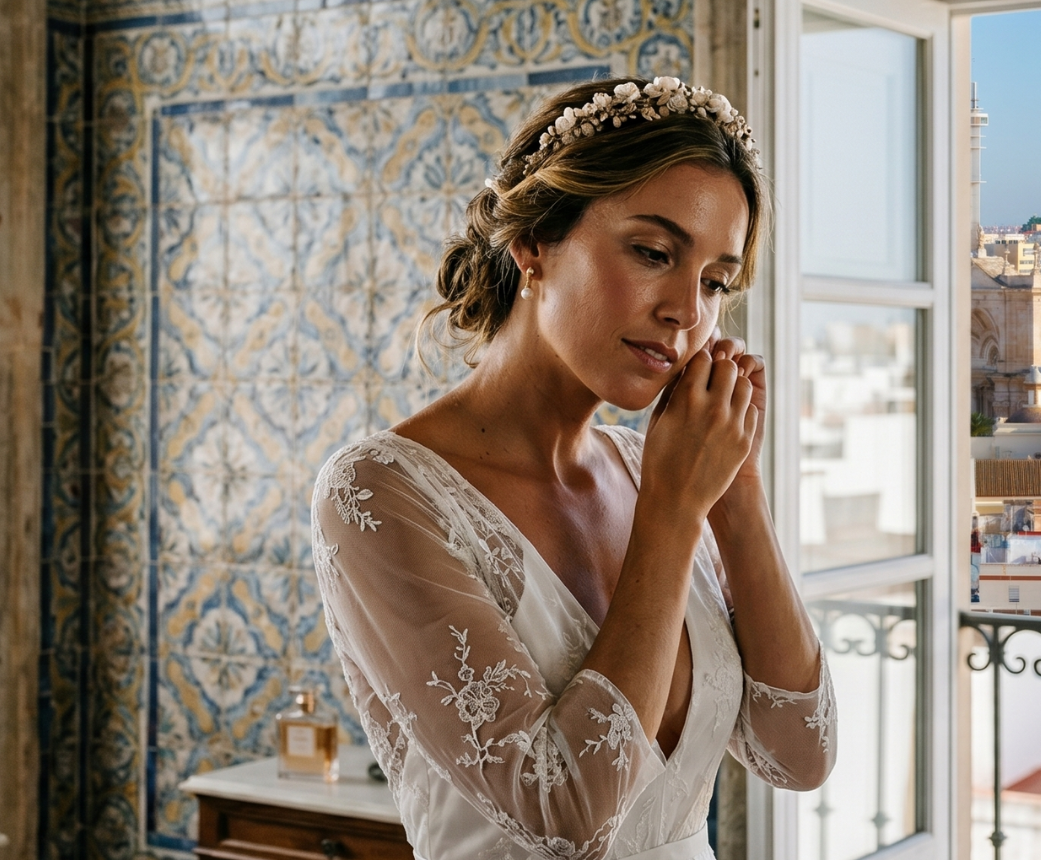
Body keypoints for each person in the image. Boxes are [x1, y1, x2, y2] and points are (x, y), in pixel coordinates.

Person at [311, 77, 836, 860]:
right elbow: (561, 814)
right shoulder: (379, 492)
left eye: (716, 282)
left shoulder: (657, 473)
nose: (688, 312)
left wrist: (737, 498)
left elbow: (797, 755)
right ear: (534, 244)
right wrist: (672, 510)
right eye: (655, 253)